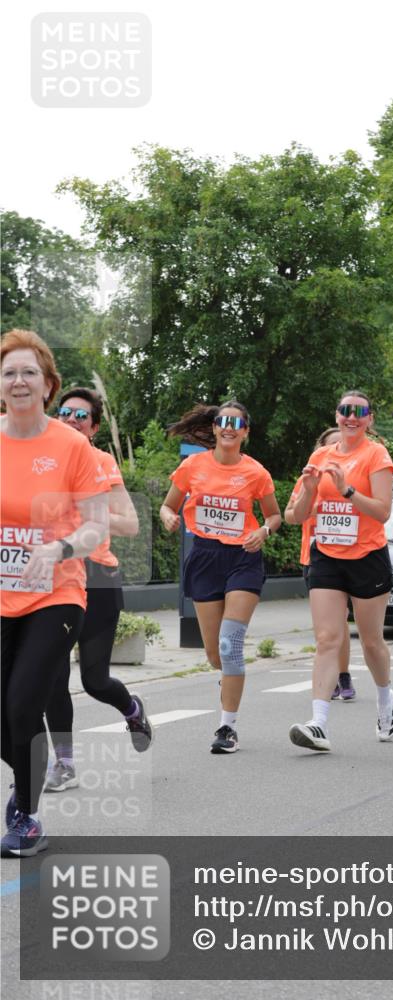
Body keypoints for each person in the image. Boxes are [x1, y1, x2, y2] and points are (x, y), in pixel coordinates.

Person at [1, 330, 110, 857]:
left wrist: (60, 548)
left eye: (28, 373)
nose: (18, 381)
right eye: (8, 373)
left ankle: (26, 812)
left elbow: (97, 527)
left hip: (55, 592)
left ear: (47, 385)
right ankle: (29, 773)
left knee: (23, 706)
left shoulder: (72, 446)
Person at [44, 388, 151, 792]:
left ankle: (132, 708)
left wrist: (90, 510)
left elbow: (130, 524)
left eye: (82, 417)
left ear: (94, 427)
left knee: (93, 680)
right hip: (55, 578)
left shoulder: (102, 462)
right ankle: (65, 763)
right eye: (65, 413)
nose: (72, 420)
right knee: (54, 677)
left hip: (99, 578)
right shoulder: (42, 461)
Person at [160, 401, 281, 754]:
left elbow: (274, 516)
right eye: (222, 421)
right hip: (205, 557)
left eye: (236, 423)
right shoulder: (192, 466)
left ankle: (227, 728)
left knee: (230, 645)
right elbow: (169, 504)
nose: (228, 427)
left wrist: (263, 531)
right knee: (215, 654)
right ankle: (228, 676)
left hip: (243, 557)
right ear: (214, 428)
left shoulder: (256, 472)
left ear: (245, 431)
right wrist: (168, 516)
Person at [287, 390, 393, 752]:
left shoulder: (375, 455)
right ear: (336, 416)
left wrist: (348, 490)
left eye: (359, 412)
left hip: (367, 556)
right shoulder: (320, 455)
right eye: (345, 411)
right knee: (328, 639)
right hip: (327, 556)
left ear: (369, 420)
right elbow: (297, 516)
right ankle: (318, 723)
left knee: (370, 643)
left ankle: (385, 699)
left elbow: (382, 512)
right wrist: (310, 489)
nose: (351, 417)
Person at [285, 427, 355, 701]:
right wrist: (311, 505)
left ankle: (344, 675)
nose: (337, 450)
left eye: (342, 444)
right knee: (327, 628)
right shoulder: (310, 478)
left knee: (339, 623)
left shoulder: (357, 476)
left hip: (350, 557)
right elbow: (290, 514)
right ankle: (334, 677)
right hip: (314, 557)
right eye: (332, 445)